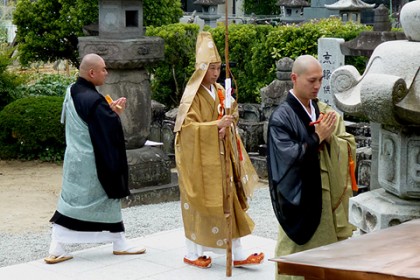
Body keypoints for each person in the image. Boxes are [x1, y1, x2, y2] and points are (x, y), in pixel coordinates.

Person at [173, 31, 264, 269]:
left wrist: (229, 119)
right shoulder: (191, 95)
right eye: (211, 68)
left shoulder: (219, 91)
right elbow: (186, 128)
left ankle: (236, 252)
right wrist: (215, 127)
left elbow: (231, 113)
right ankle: (193, 252)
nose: (215, 73)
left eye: (218, 68)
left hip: (221, 156)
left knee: (228, 201)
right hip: (201, 160)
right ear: (201, 68)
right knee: (199, 203)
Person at [44, 53, 145, 264]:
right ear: (92, 73)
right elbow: (108, 131)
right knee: (108, 199)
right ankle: (119, 243)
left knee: (70, 203)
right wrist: (115, 114)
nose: (106, 73)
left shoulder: (73, 91)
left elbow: (89, 121)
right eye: (104, 70)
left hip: (74, 159)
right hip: (93, 163)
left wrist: (106, 112)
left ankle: (59, 246)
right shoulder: (93, 100)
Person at [267, 55, 357, 279]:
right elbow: (285, 158)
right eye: (311, 80)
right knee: (295, 258)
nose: (317, 86)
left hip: (324, 191)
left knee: (325, 255)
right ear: (294, 78)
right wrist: (317, 137)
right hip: (297, 198)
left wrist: (330, 138)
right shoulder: (281, 117)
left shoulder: (319, 110)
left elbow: (343, 142)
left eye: (320, 80)